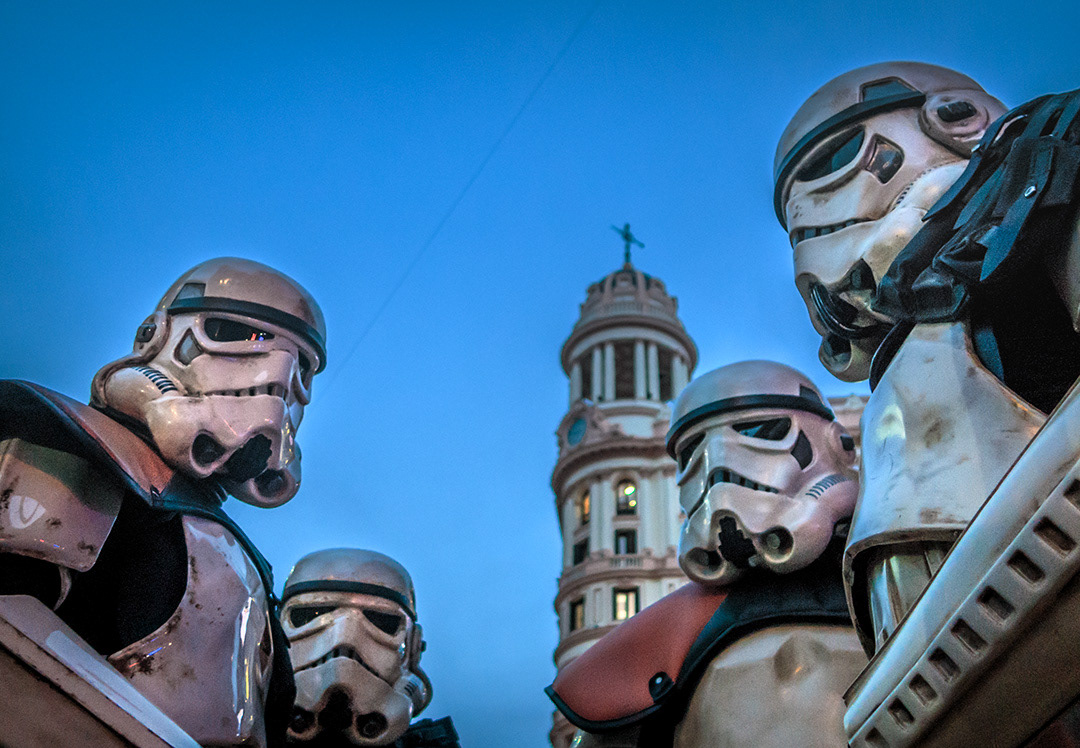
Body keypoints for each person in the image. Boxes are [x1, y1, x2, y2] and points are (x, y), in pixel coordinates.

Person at [0, 257, 326, 747]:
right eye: (244, 335)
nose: (278, 376)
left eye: (301, 366)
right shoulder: (61, 439)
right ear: (156, 337)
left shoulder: (250, 572)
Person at [547, 361, 865, 747]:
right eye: (692, 452)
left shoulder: (885, 573)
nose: (718, 467)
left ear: (838, 443)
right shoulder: (668, 635)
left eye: (758, 431)